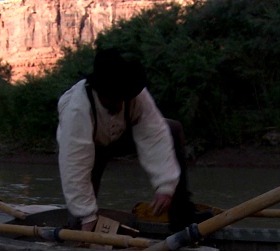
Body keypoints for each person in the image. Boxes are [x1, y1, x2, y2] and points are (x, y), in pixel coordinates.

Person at [56, 48, 205, 232]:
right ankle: (78, 225)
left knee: (172, 129)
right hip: (89, 145)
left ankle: (182, 219)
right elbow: (74, 166)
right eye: (112, 97)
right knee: (84, 210)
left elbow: (155, 135)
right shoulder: (77, 110)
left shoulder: (134, 94)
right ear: (99, 90)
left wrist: (166, 187)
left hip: (120, 135)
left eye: (121, 96)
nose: (118, 103)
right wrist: (87, 215)